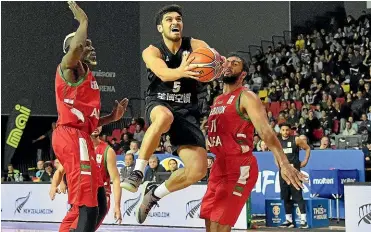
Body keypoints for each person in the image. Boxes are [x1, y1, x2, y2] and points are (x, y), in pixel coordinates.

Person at [121, 4, 223, 224]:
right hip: (159, 102)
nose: (175, 22)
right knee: (164, 117)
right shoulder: (152, 50)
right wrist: (181, 72)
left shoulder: (194, 45)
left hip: (187, 112)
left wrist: (216, 65)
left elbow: (213, 58)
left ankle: (154, 194)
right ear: (160, 27)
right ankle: (138, 172)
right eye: (169, 20)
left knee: (197, 169)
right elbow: (162, 73)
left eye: (178, 19)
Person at [199, 53, 307, 232]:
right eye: (227, 62)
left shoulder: (247, 96)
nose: (228, 65)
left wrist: (284, 162)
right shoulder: (217, 100)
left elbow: (266, 132)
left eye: (235, 63)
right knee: (209, 220)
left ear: (243, 74)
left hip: (239, 165)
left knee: (220, 223)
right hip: (219, 165)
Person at [51, 2, 128, 231]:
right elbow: (74, 51)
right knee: (87, 203)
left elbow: (89, 121)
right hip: (70, 136)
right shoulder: (68, 69)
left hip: (81, 135)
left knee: (100, 203)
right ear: (74, 48)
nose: (91, 48)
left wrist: (111, 118)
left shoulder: (89, 76)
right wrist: (83, 22)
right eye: (87, 44)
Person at [278, 123, 311, 229]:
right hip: (283, 174)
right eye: (283, 130)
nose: (285, 132)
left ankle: (303, 221)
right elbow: (275, 155)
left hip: (295, 172)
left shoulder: (296, 139)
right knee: (286, 197)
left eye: (287, 130)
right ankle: (289, 221)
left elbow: (307, 148)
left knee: (298, 196)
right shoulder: (278, 142)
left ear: (290, 131)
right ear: (280, 131)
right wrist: (279, 165)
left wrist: (305, 160)